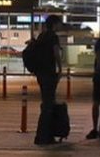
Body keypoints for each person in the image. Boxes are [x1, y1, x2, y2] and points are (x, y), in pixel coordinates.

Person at [32, 14, 63, 146]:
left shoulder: (42, 35)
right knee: (48, 105)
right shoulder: (53, 37)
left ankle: (44, 135)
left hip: (41, 74)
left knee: (46, 103)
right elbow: (56, 53)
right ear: (55, 24)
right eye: (58, 23)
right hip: (49, 74)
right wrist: (60, 69)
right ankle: (44, 137)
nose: (60, 26)